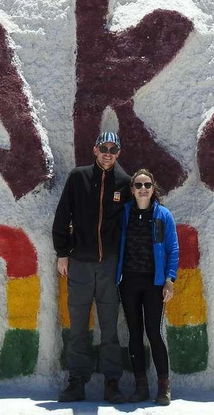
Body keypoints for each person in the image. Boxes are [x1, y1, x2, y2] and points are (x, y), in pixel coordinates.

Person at [52, 131, 131, 403]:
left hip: (109, 266)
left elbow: (139, 218)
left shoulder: (125, 182)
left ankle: (112, 382)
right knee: (78, 327)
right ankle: (77, 380)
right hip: (80, 263)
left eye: (113, 148)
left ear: (119, 152)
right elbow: (63, 215)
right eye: (104, 147)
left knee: (109, 326)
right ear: (95, 149)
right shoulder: (78, 177)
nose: (108, 152)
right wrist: (63, 253)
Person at [116, 168, 179, 406]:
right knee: (134, 334)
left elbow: (173, 249)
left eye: (147, 185)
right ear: (132, 190)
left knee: (153, 333)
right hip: (129, 281)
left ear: (153, 189)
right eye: (139, 185)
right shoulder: (124, 214)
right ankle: (140, 386)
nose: (143, 189)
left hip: (154, 283)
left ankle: (164, 387)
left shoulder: (163, 215)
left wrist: (169, 280)